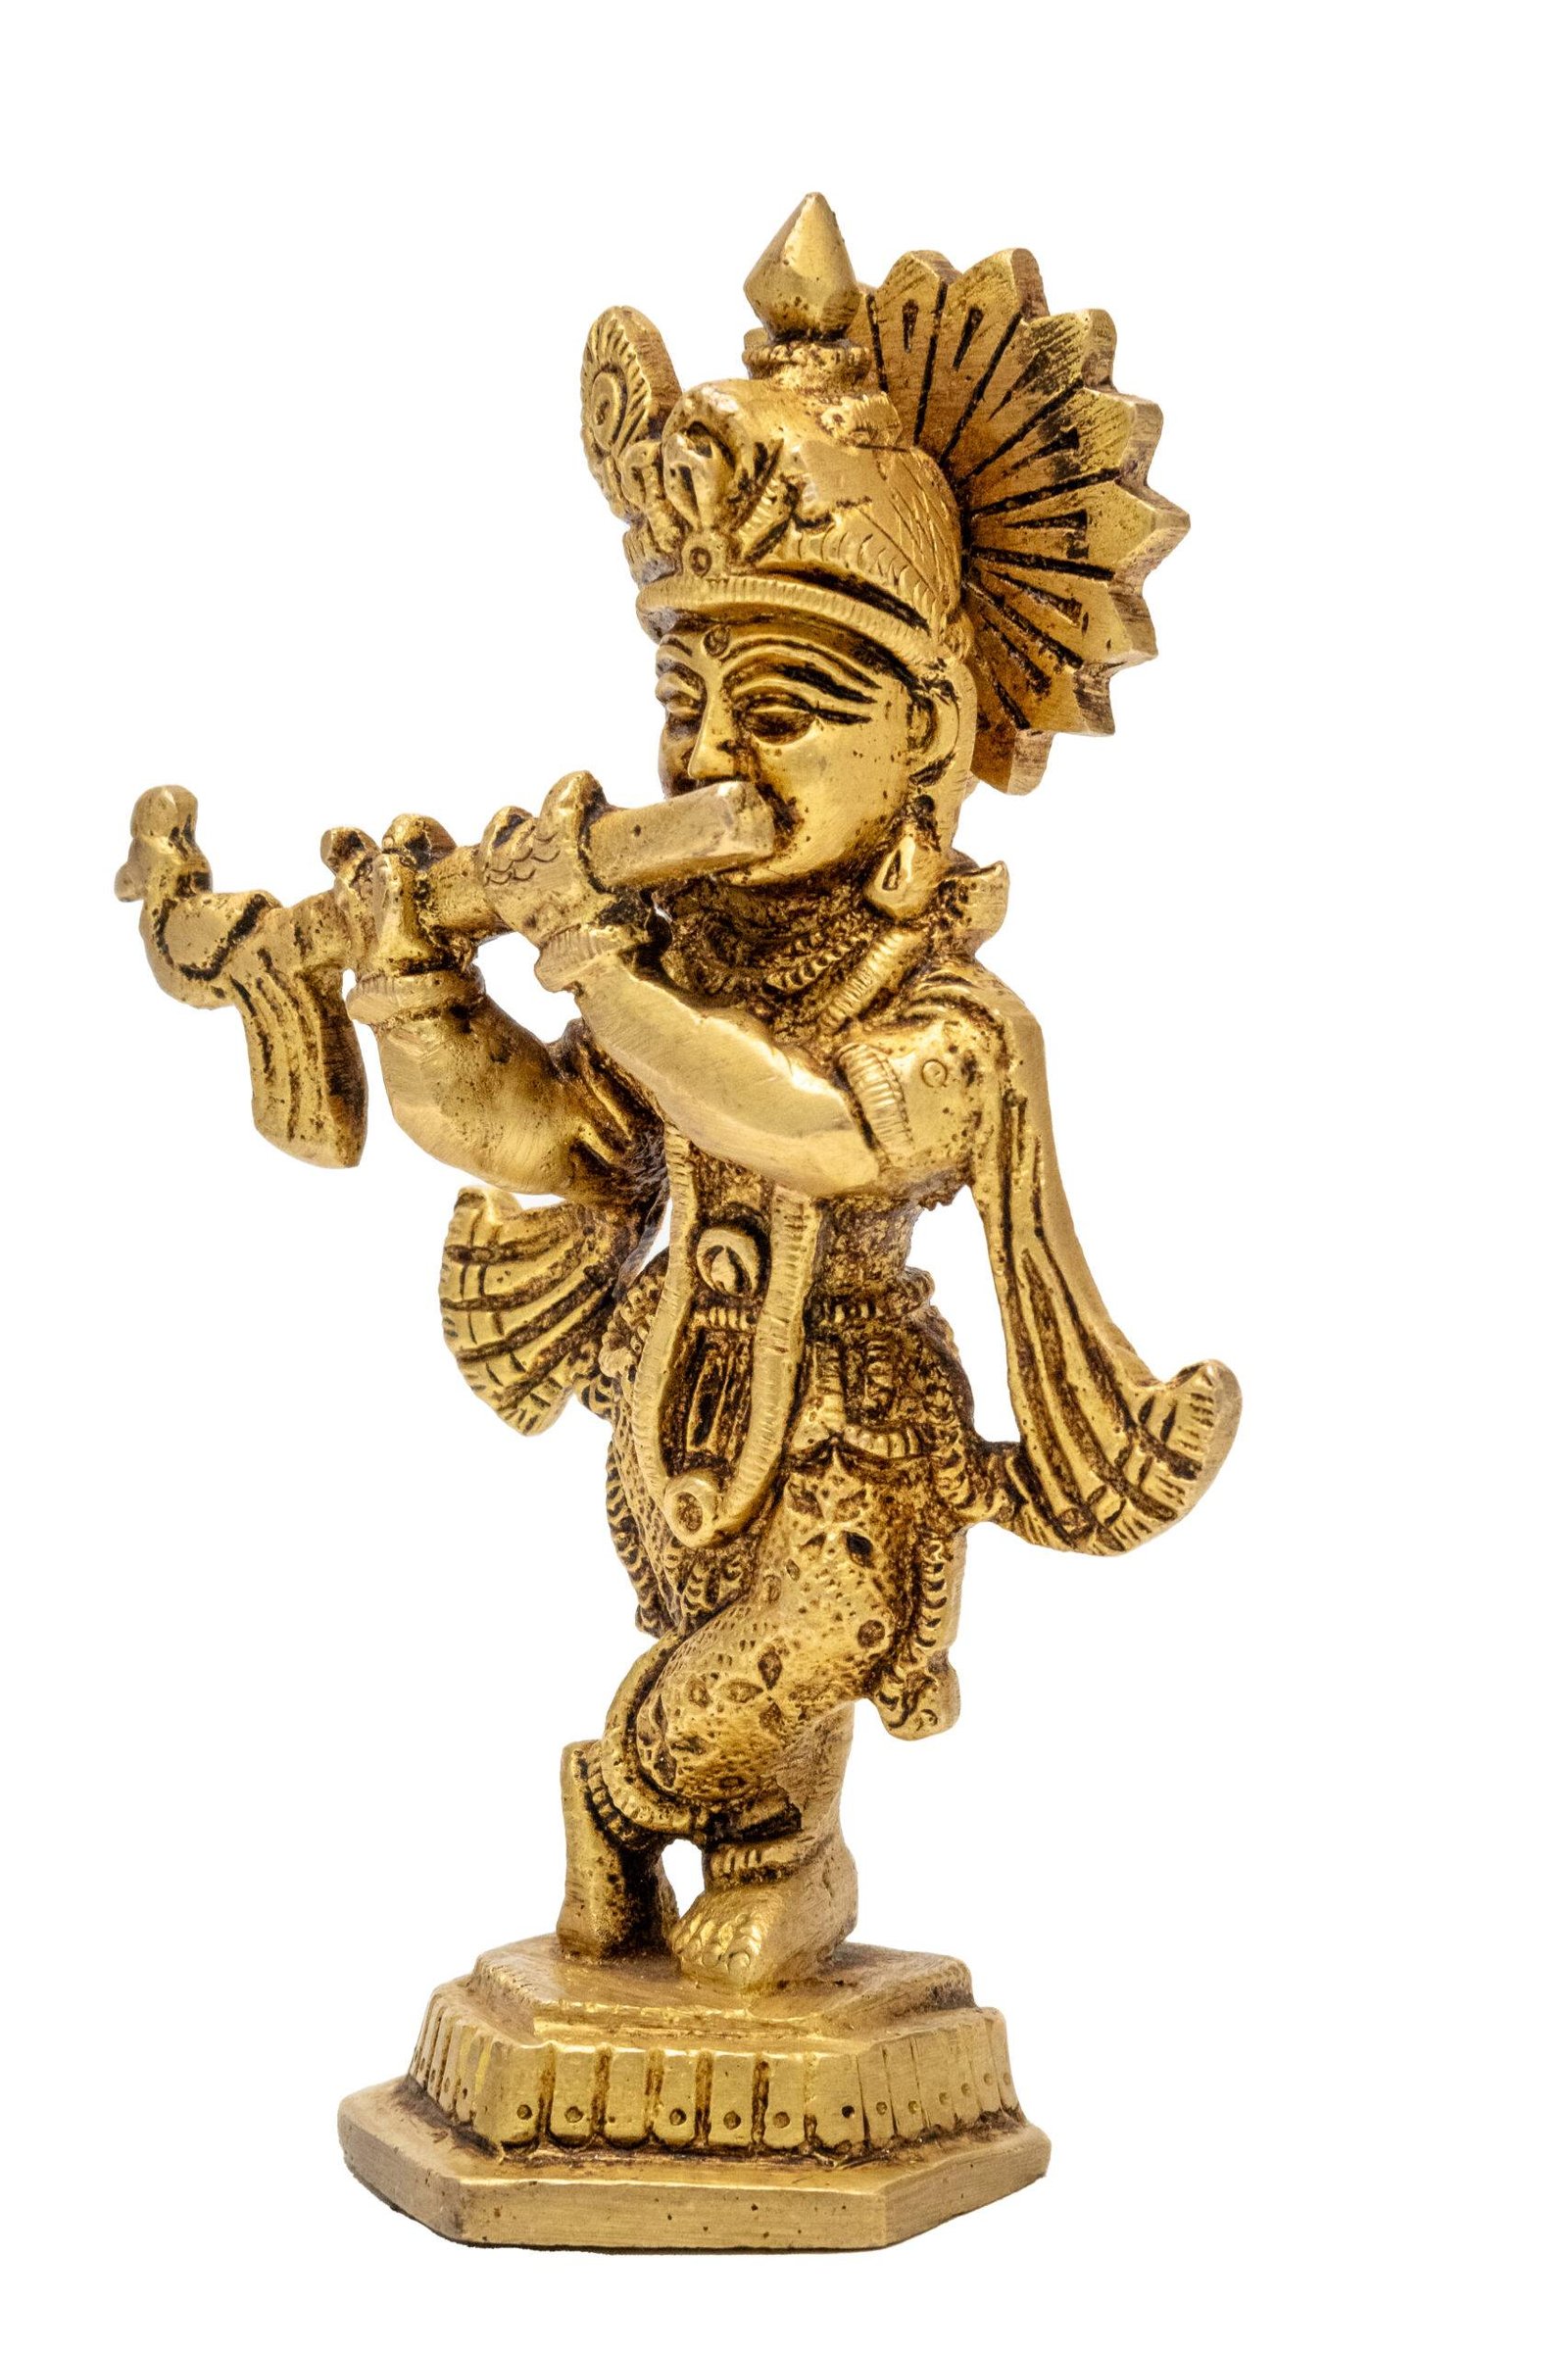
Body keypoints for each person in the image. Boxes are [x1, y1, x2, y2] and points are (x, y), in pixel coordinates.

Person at [332, 198, 1239, 1989]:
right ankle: (775, 1850)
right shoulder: (675, 955)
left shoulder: (952, 1018)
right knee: (743, 1736)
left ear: (928, 734)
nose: (708, 757)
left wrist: (598, 965)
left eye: (786, 704)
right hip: (663, 1394)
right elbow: (547, 1135)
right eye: (687, 697)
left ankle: (615, 1791)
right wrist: (414, 990)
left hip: (855, 1426)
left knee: (809, 1633)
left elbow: (814, 1126)